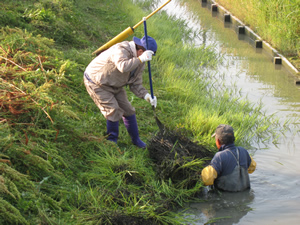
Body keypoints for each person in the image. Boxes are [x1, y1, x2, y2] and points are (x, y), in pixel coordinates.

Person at [84, 36, 158, 148]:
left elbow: (135, 83)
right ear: (141, 51)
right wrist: (140, 59)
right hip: (97, 82)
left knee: (129, 110)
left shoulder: (141, 59)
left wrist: (146, 96)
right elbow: (122, 66)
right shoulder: (121, 49)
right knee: (112, 110)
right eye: (148, 55)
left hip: (115, 85)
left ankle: (136, 139)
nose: (147, 59)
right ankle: (112, 142)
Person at [201, 124, 256, 192]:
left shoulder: (219, 156)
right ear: (233, 139)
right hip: (246, 193)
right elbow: (252, 168)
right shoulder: (243, 151)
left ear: (218, 141)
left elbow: (207, 180)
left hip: (225, 197)